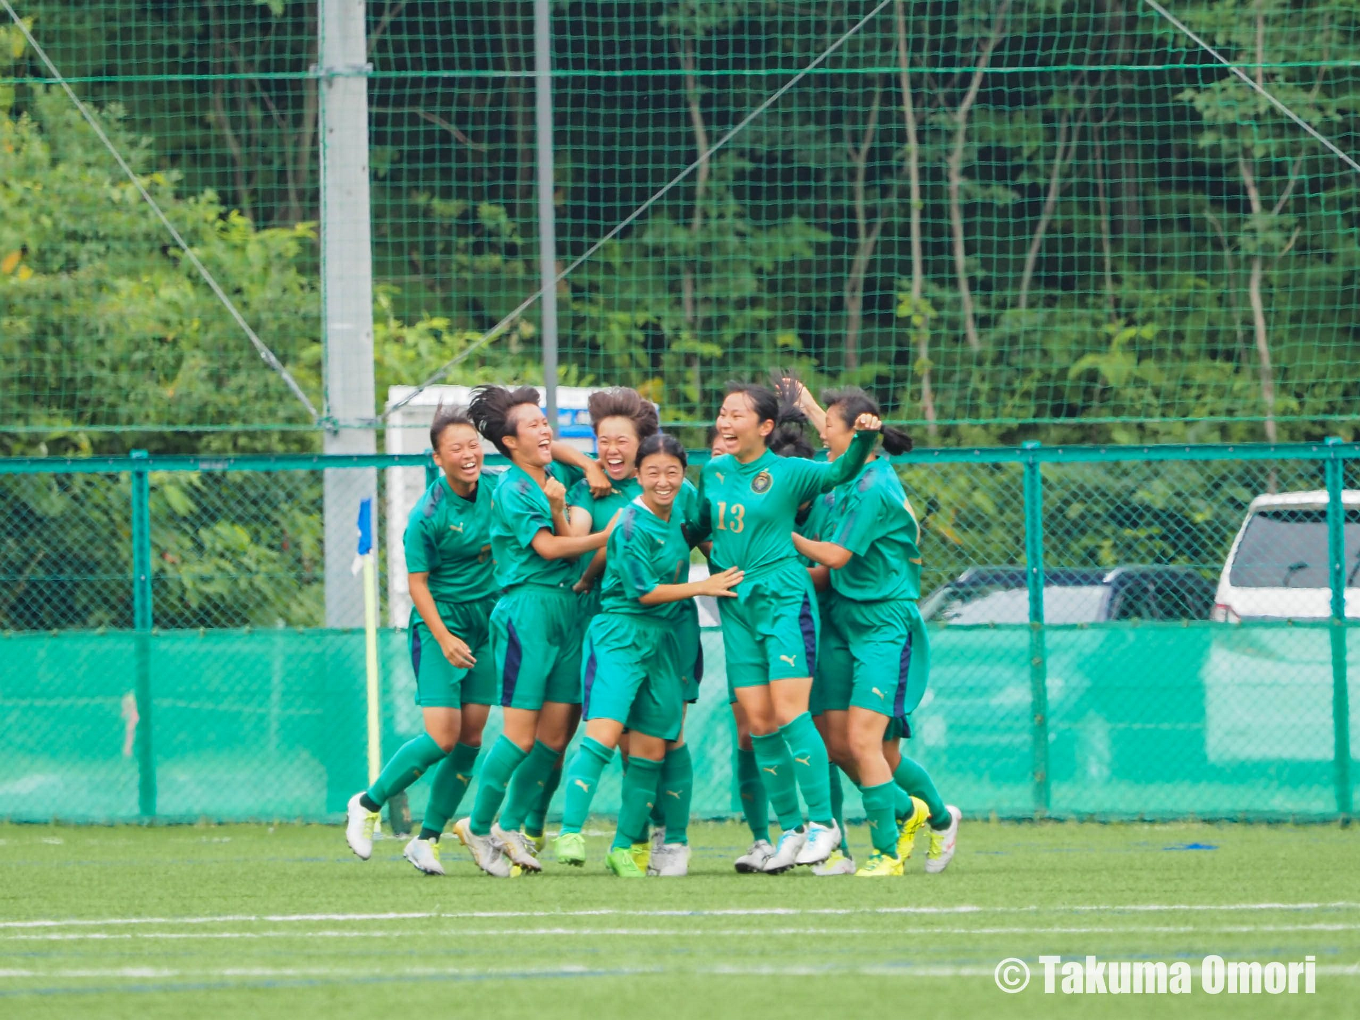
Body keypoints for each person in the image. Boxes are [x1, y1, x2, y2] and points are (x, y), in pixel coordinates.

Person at [694, 382, 881, 872]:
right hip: (735, 605)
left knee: (792, 713)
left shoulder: (790, 472)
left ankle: (824, 824)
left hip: (782, 599)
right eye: (722, 413)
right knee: (758, 724)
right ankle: (791, 832)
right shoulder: (712, 472)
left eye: (736, 415)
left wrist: (862, 438)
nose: (725, 423)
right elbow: (697, 527)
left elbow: (842, 469)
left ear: (766, 426)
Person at [553, 434, 743, 876]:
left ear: (684, 475)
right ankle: (570, 830)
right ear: (637, 476)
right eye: (653, 472)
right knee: (603, 734)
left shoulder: (686, 502)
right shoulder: (630, 524)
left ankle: (625, 846)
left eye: (672, 472)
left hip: (666, 640)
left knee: (653, 747)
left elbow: (704, 530)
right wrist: (702, 585)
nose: (663, 481)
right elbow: (644, 593)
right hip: (622, 633)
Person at [791, 386, 961, 876]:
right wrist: (805, 401)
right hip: (841, 618)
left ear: (854, 434)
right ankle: (917, 814)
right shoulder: (845, 474)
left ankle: (888, 851)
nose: (823, 438)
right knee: (850, 748)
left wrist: (776, 538)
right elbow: (846, 432)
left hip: (883, 622)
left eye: (828, 430)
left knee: (867, 745)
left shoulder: (874, 489)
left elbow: (837, 557)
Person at [453, 385, 610, 877]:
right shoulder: (513, 488)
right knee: (520, 737)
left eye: (546, 422)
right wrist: (612, 534)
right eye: (534, 426)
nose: (545, 431)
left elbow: (561, 452)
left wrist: (587, 465)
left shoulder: (552, 473)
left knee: (556, 735)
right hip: (529, 612)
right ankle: (478, 826)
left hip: (571, 610)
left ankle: (511, 826)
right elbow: (546, 548)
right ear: (509, 443)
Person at [344, 405, 498, 875]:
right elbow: (417, 585)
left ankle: (426, 840)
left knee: (471, 740)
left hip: (487, 624)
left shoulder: (499, 489)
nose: (469, 454)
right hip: (440, 626)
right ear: (437, 458)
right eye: (457, 448)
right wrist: (445, 637)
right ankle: (368, 804)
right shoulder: (426, 515)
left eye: (474, 445)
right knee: (442, 737)